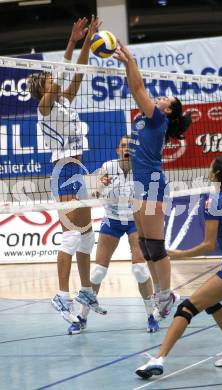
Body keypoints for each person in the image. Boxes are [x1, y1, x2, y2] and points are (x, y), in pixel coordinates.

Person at [135, 156, 222, 378]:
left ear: (215, 174)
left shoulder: (213, 201)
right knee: (211, 303)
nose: (208, 169)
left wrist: (178, 255)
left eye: (210, 166)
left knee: (186, 308)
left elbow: (208, 245)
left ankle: (158, 359)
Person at [28, 16, 105, 326]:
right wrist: (70, 43)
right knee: (71, 237)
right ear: (44, 87)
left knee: (87, 235)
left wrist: (86, 39)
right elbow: (61, 74)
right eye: (50, 80)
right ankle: (61, 294)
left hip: (78, 167)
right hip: (62, 171)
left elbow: (80, 72)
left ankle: (85, 290)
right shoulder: (44, 106)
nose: (55, 81)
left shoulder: (64, 102)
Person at [114, 41, 192, 319]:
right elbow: (137, 90)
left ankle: (165, 293)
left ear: (168, 111)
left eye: (165, 100)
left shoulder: (158, 119)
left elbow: (137, 89)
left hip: (153, 185)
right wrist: (128, 65)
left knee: (156, 246)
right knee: (145, 244)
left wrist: (130, 61)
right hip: (139, 183)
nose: (159, 99)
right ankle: (162, 292)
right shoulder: (147, 116)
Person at [69, 135, 161, 334]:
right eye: (123, 146)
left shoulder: (142, 169)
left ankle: (151, 315)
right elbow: (94, 192)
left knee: (140, 270)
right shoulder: (108, 167)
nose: (126, 149)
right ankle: (82, 318)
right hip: (112, 221)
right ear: (118, 150)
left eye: (129, 146)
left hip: (135, 222)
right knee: (98, 272)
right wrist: (100, 186)